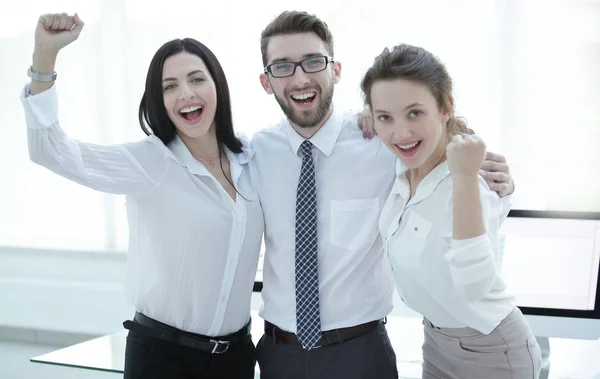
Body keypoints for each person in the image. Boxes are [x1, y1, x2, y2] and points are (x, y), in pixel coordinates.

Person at [250, 10, 516, 379]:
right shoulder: (254, 154)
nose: (300, 77)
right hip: (280, 354)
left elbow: (436, 147)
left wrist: (498, 182)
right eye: (283, 67)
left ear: (336, 70)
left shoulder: (379, 143)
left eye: (313, 61)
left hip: (360, 353)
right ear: (266, 81)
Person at [21, 13, 262, 379]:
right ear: (158, 99)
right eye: (170, 86)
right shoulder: (150, 162)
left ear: (218, 86)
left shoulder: (252, 158)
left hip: (237, 357)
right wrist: (44, 58)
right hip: (165, 358)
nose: (186, 93)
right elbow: (50, 149)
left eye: (197, 79)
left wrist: (372, 119)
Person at [361, 43, 542, 378]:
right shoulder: (402, 169)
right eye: (385, 117)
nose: (401, 132)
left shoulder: (470, 179)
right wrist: (374, 116)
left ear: (446, 108)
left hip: (493, 351)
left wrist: (464, 177)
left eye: (415, 113)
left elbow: (475, 285)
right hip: (436, 341)